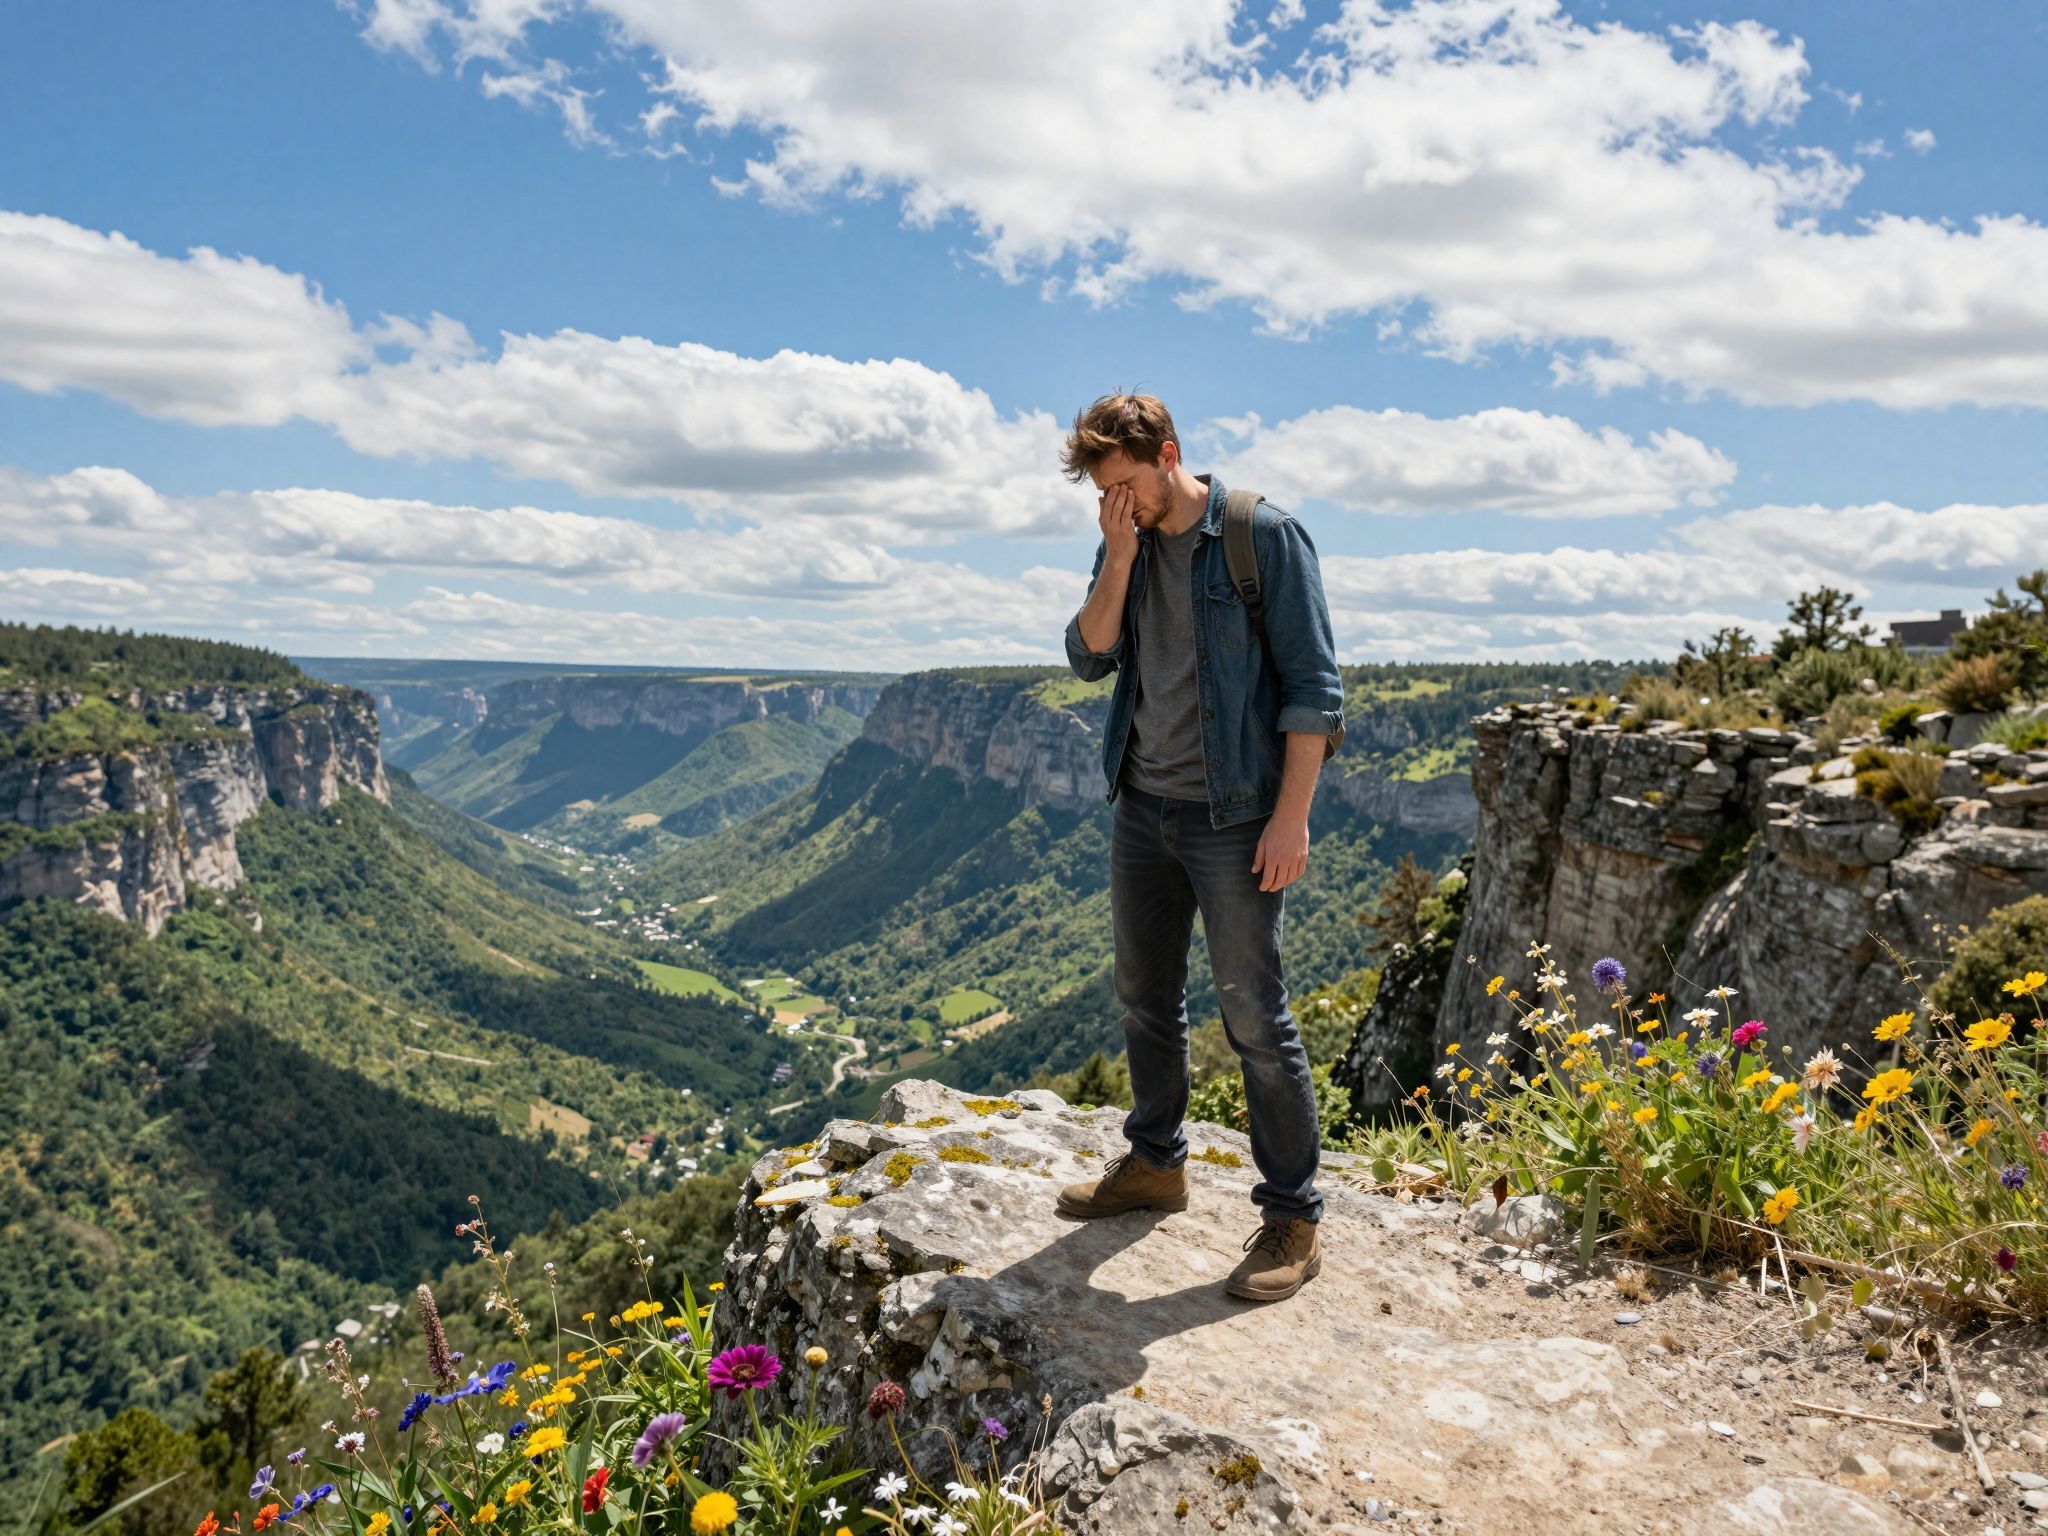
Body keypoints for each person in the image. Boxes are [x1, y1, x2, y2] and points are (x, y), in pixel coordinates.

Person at [1053, 391, 1345, 1302]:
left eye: (1127, 486)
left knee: (1253, 1013)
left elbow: (1314, 691)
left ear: (1170, 453)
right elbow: (1087, 654)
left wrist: (1290, 818)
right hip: (1143, 804)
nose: (1118, 504)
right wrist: (1122, 556)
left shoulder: (1265, 535)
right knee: (1144, 994)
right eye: (1104, 494)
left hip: (1236, 816)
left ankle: (1293, 1216)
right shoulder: (1124, 540)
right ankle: (1156, 1163)